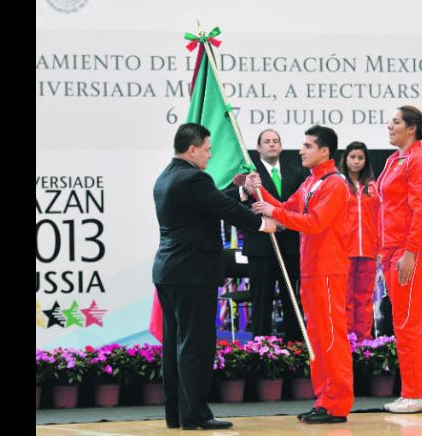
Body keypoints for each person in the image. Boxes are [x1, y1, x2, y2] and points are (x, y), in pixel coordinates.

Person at [152, 123, 276, 430]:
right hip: (192, 273)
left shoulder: (167, 176)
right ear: (192, 149)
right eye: (207, 148)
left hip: (170, 272)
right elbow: (222, 207)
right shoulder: (194, 178)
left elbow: (211, 199)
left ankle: (177, 414)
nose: (210, 154)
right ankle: (195, 415)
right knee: (196, 345)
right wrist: (263, 224)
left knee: (174, 345)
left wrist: (243, 191)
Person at [247, 126, 354, 424]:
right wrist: (259, 189)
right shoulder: (310, 183)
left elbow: (314, 222)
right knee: (317, 342)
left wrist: (273, 210)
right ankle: (324, 400)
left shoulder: (334, 184)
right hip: (311, 272)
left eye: (307, 146)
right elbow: (284, 207)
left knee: (332, 340)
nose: (301, 150)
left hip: (330, 272)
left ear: (325, 151)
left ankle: (338, 403)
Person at [377, 105, 422, 414]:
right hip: (394, 249)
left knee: (409, 322)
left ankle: (419, 393)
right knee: (403, 322)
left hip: (413, 250)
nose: (390, 126)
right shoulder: (395, 159)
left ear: (413, 128)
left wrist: (410, 252)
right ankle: (417, 391)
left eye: (396, 122)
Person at [231, 129, 309, 341]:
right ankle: (262, 352)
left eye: (276, 141)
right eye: (267, 141)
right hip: (261, 247)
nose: (272, 144)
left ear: (281, 146)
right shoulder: (249, 176)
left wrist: (283, 221)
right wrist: (267, 223)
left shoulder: (298, 172)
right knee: (261, 302)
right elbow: (241, 209)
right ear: (258, 148)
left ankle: (295, 350)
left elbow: (303, 205)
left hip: (291, 248)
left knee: (292, 301)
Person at [340, 141, 381, 342]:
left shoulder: (373, 188)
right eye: (352, 157)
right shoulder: (338, 184)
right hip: (344, 252)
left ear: (366, 161)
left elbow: (381, 219)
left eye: (360, 158)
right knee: (345, 299)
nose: (356, 162)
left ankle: (365, 340)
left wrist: (380, 249)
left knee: (365, 298)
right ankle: (347, 339)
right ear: (345, 159)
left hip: (369, 251)